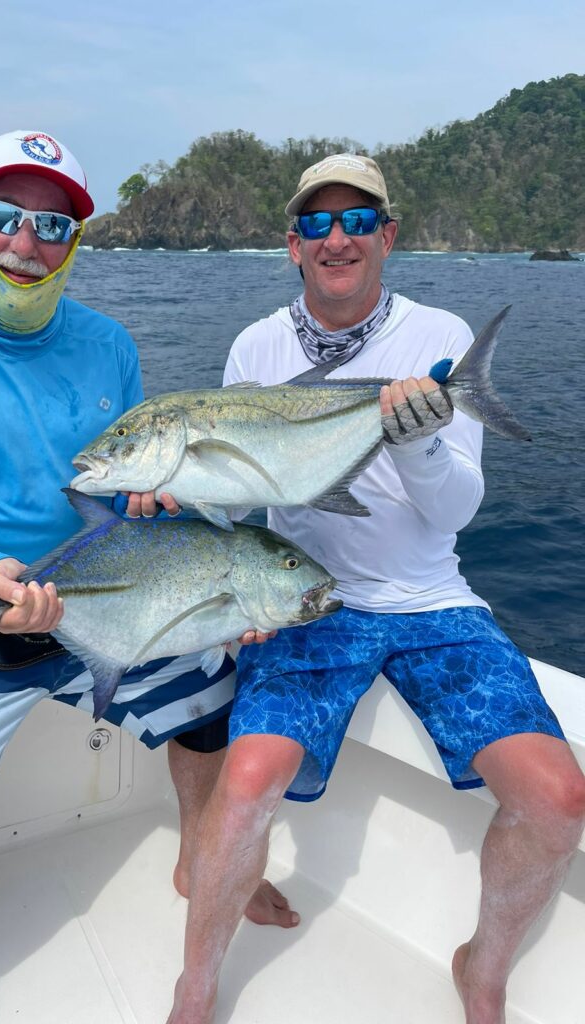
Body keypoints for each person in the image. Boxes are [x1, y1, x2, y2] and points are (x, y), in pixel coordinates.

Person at [0, 129, 285, 1024]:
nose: (25, 244)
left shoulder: (107, 346)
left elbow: (119, 487)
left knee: (215, 692)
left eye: (53, 226)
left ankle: (199, 860)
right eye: (4, 217)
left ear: (77, 239)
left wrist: (166, 514)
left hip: (100, 583)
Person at [167, 154, 585, 1024]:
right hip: (304, 597)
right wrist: (187, 486)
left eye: (358, 221)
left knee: (557, 797)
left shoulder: (437, 334)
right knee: (244, 785)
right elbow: (253, 494)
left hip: (433, 602)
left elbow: (457, 512)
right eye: (317, 224)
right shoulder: (256, 348)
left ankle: (484, 967)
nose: (337, 238)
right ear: (292, 245)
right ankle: (195, 986)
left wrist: (420, 442)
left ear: (386, 236)